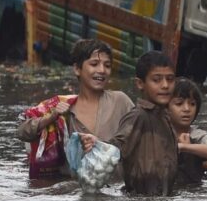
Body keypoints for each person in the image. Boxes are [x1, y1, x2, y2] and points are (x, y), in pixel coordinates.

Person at [17, 39, 133, 179]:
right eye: (94, 64)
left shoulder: (120, 101)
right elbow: (22, 133)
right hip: (75, 192)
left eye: (107, 65)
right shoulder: (61, 107)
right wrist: (51, 118)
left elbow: (139, 139)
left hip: (114, 191)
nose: (102, 70)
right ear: (77, 69)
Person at [81, 50, 178, 196]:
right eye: (157, 80)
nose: (165, 85)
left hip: (162, 198)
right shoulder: (138, 116)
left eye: (170, 79)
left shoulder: (165, 117)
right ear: (140, 83)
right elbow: (117, 147)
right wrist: (98, 144)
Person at [168, 77, 207, 185]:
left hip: (193, 189)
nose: (187, 109)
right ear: (165, 108)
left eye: (192, 104)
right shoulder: (157, 133)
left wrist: (184, 147)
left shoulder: (197, 135)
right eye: (179, 104)